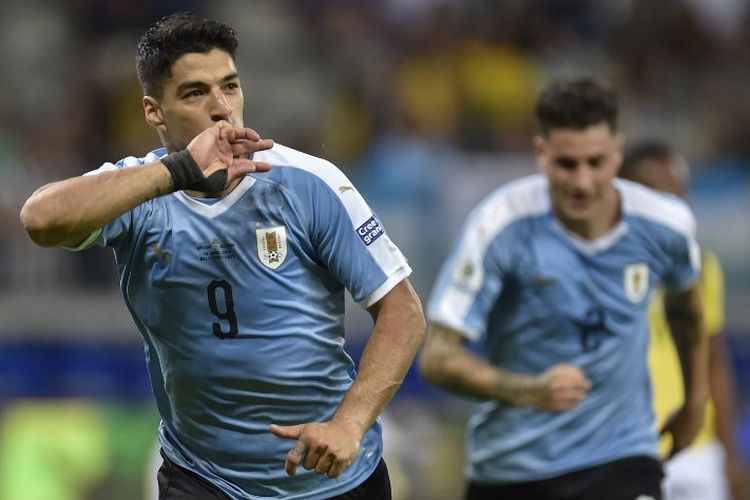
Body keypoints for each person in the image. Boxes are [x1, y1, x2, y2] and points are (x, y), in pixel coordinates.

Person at [20, 13, 425, 500]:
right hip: (205, 479)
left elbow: (403, 311)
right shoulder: (137, 191)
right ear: (154, 112)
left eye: (230, 87)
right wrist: (180, 170)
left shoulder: (308, 182)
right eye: (195, 93)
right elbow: (40, 219)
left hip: (333, 477)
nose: (222, 109)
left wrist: (350, 424)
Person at [419, 77, 708, 500]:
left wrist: (694, 399)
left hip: (622, 454)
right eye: (566, 164)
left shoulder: (665, 225)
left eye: (597, 162)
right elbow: (438, 358)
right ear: (541, 154)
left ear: (618, 152)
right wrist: (528, 390)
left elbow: (688, 311)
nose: (583, 182)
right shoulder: (501, 225)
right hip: (514, 468)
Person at [620, 141, 748, 500]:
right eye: (658, 195)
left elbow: (715, 362)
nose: (673, 207)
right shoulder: (603, 270)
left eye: (678, 195)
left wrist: (729, 454)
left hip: (699, 450)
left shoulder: (702, 267)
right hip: (631, 446)